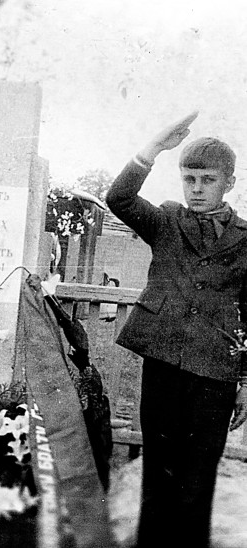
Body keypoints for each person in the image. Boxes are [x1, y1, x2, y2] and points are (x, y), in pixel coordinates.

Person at [106, 112, 247, 548]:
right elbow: (119, 198)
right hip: (164, 364)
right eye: (189, 179)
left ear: (229, 183)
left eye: (208, 180)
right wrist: (153, 149)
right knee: (159, 473)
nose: (197, 189)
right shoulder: (166, 220)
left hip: (215, 374)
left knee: (198, 479)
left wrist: (245, 382)